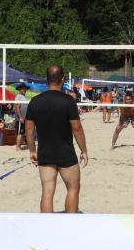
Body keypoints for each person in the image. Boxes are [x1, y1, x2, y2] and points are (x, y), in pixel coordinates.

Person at [25, 65, 89, 213]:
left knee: (47, 192)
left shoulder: (35, 101)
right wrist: (84, 150)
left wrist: (32, 151)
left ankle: (47, 229)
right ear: (62, 79)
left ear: (46, 80)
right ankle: (69, 225)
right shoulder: (68, 101)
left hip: (45, 152)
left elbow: (28, 129)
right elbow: (77, 128)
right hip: (65, 152)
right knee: (73, 189)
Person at [14, 83, 31, 150]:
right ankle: (18, 147)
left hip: (24, 118)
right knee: (20, 132)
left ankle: (23, 145)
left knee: (23, 132)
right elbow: (17, 107)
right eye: (23, 88)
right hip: (20, 118)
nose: (24, 90)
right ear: (19, 89)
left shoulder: (23, 97)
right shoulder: (18, 96)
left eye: (25, 88)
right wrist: (20, 117)